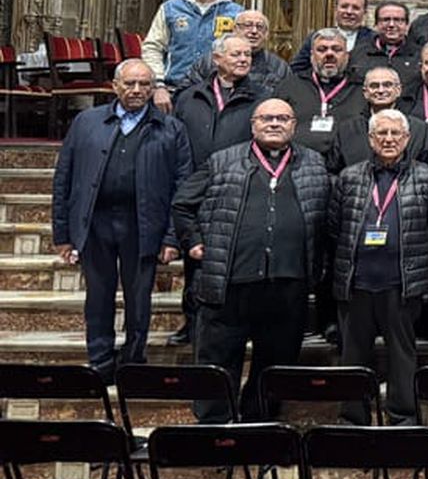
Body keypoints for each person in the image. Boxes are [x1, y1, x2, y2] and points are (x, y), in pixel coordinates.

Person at [167, 98, 332, 421]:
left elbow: (328, 216)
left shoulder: (313, 163)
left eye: (283, 118)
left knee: (275, 365)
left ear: (294, 125)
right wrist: (194, 242)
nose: (274, 123)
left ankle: (259, 425)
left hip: (287, 285)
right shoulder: (222, 160)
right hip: (229, 283)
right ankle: (214, 428)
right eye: (267, 118)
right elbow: (183, 204)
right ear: (253, 124)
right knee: (218, 361)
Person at [53, 60, 192, 381]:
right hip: (95, 223)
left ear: (153, 87)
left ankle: (133, 359)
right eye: (130, 84)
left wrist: (172, 238)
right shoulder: (87, 122)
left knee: (138, 297)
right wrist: (62, 233)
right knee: (98, 295)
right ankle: (100, 360)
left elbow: (183, 187)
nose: (137, 90)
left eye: (145, 84)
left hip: (144, 225)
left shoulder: (171, 128)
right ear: (115, 86)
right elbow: (64, 178)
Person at [329, 110, 428, 424]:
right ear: (370, 139)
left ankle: (402, 415)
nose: (389, 139)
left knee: (402, 355)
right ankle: (352, 416)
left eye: (396, 134)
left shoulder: (427, 178)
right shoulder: (349, 177)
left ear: (407, 139)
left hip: (401, 283)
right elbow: (335, 227)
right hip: (356, 282)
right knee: (352, 356)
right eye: (382, 134)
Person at [169, 34, 262, 346]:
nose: (243, 59)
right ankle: (191, 323)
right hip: (195, 184)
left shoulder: (259, 98)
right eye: (236, 54)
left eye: (247, 55)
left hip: (237, 187)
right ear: (217, 59)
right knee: (194, 258)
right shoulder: (190, 97)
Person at [142, 0, 243, 111]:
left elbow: (242, 53)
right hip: (174, 90)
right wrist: (158, 85)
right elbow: (152, 47)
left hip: (218, 93)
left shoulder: (235, 12)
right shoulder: (171, 9)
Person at [327, 66, 428, 176]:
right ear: (365, 92)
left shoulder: (421, 131)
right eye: (374, 86)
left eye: (387, 85)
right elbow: (334, 171)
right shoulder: (347, 130)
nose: (381, 90)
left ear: (398, 90)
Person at [280, 28, 363, 158]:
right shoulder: (290, 86)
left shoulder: (362, 88)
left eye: (337, 49)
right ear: (312, 56)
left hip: (348, 168)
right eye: (322, 49)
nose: (329, 54)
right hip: (298, 165)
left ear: (347, 56)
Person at [181, 9, 288, 94]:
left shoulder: (278, 67)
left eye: (260, 27)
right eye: (247, 25)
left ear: (266, 35)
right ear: (235, 29)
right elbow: (187, 93)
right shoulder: (211, 61)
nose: (254, 31)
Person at [289, 0, 373, 74]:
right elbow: (297, 69)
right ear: (336, 10)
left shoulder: (374, 40)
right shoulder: (318, 37)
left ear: (364, 12)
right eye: (344, 6)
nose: (349, 12)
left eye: (355, 8)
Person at [349, 1, 420, 84]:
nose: (391, 25)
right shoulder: (358, 53)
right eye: (386, 20)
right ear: (376, 24)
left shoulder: (419, 55)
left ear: (407, 25)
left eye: (398, 20)